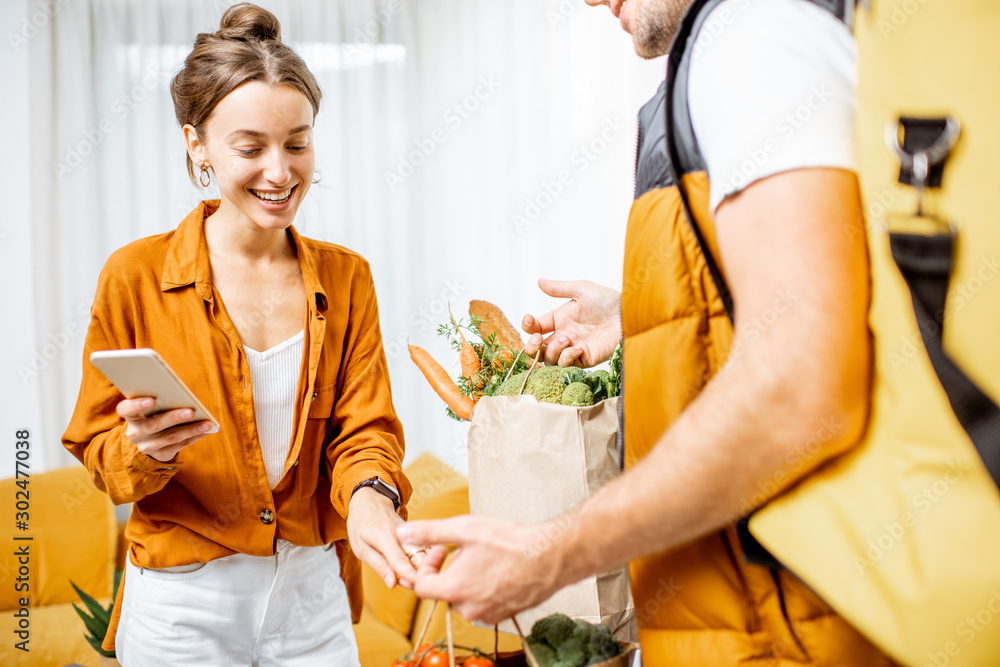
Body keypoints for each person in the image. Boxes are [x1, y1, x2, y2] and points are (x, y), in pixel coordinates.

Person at [400, 0, 897, 665]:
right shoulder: (731, 47)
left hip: (782, 631)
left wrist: (550, 553)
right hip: (735, 619)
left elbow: (800, 387)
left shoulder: (752, 37)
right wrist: (633, 310)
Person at [62, 4, 418, 665]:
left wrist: (372, 498)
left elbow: (365, 429)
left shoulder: (348, 279)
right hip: (179, 608)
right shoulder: (135, 275)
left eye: (299, 143)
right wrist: (144, 448)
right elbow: (97, 450)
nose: (280, 172)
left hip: (312, 599)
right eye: (250, 148)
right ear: (196, 144)